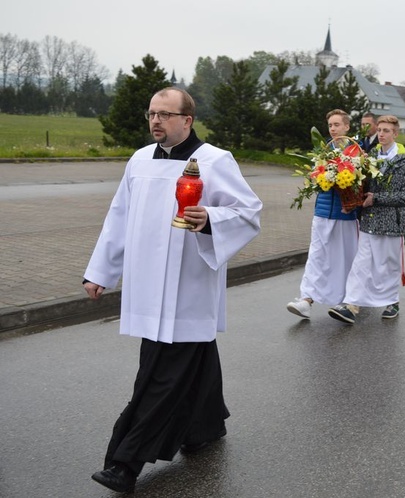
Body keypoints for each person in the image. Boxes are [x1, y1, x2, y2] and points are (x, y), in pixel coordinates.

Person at [83, 87, 263, 493]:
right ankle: (204, 426)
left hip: (189, 287)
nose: (156, 122)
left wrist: (210, 217)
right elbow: (118, 217)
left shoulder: (215, 161)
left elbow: (248, 212)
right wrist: (100, 272)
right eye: (151, 114)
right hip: (148, 286)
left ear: (187, 120)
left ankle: (124, 463)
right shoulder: (140, 161)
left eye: (165, 114)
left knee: (160, 373)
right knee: (190, 356)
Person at [328, 115, 405, 324]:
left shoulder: (404, 161)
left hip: (391, 222)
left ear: (395, 133)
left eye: (387, 131)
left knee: (387, 265)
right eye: (380, 130)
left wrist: (376, 198)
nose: (382, 134)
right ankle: (351, 304)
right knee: (361, 263)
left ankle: (392, 301)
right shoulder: (371, 154)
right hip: (369, 219)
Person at [287, 109, 360, 319]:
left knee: (345, 259)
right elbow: (318, 181)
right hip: (322, 213)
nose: (333, 129)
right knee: (317, 256)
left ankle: (348, 301)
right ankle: (306, 300)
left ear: (347, 126)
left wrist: (353, 203)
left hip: (345, 215)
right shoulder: (323, 152)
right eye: (330, 125)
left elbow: (361, 183)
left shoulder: (357, 152)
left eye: (337, 125)